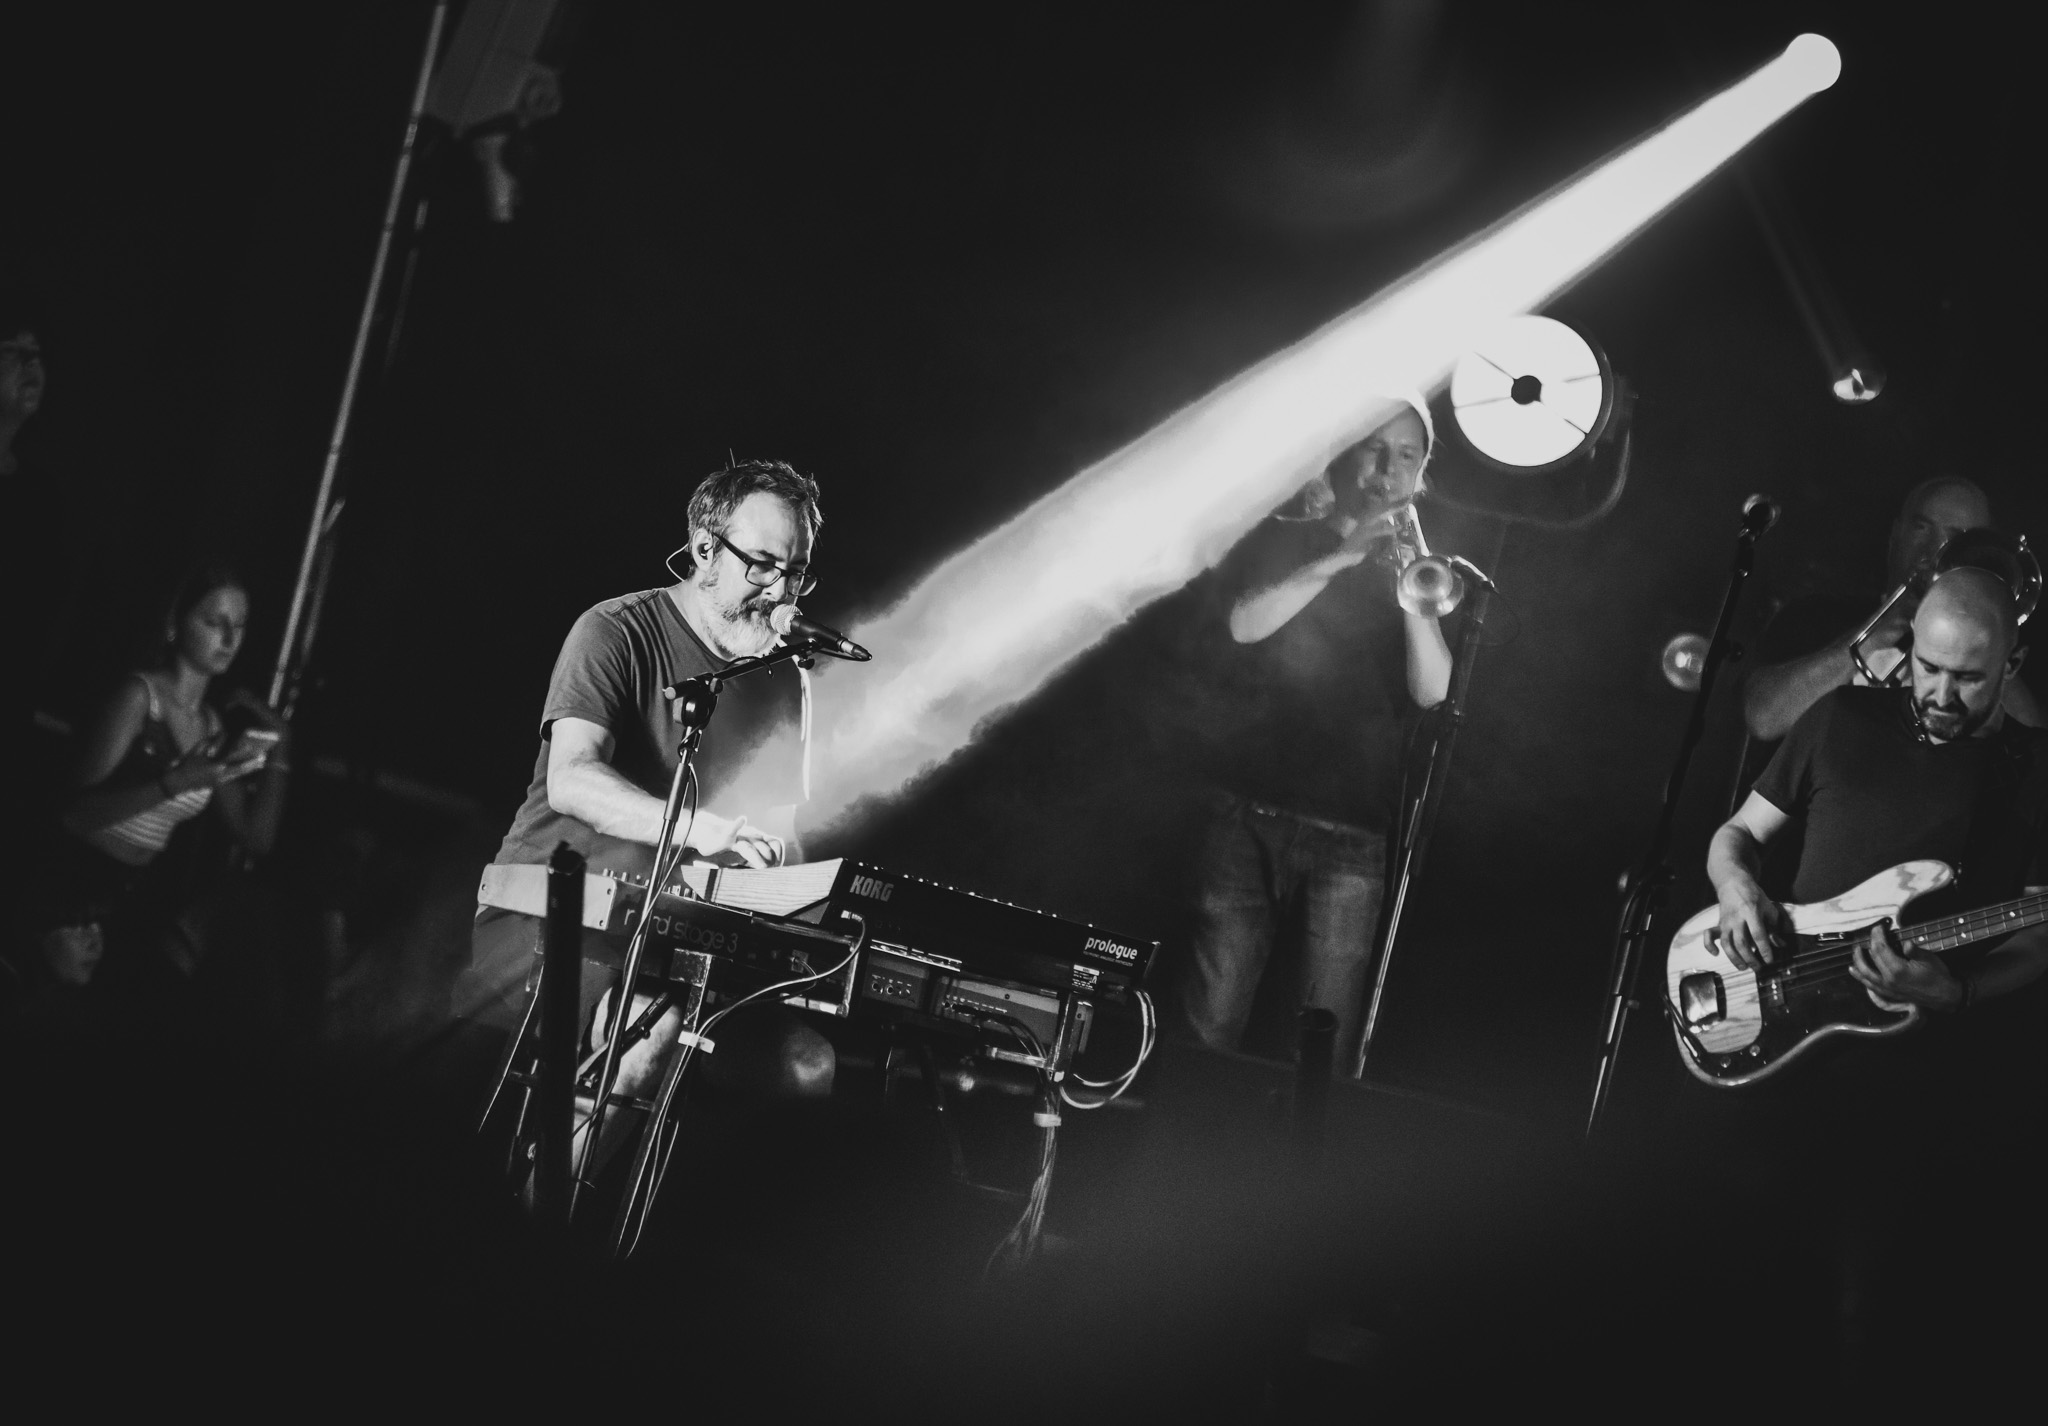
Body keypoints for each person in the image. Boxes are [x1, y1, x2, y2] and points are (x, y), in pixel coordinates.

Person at [1704, 567, 2048, 1381]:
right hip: (1777, 1050)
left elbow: (2038, 935)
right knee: (1731, 1292)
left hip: (1912, 1095)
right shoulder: (1840, 720)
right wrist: (1737, 887)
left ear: (2012, 663)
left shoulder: (2033, 772)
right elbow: (1735, 836)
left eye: (1968, 678)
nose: (1941, 693)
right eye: (1928, 666)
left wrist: (1956, 991)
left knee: (1866, 1324)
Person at [463, 459, 831, 1140]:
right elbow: (572, 779)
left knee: (805, 1064)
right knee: (655, 1026)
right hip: (547, 916)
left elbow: (780, 836)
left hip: (675, 940)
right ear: (704, 550)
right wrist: (698, 829)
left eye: (798, 572)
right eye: (762, 566)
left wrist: (800, 913)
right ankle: (548, 1204)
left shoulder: (785, 678)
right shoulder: (616, 630)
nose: (781, 592)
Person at [1174, 396, 1452, 1067]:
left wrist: (1411, 587)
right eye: (1375, 449)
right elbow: (1245, 626)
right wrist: (1341, 556)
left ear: (1420, 474)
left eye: (1406, 456)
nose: (1387, 468)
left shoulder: (1417, 570)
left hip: (1352, 835)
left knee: (1321, 1049)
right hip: (1248, 814)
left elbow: (1433, 690)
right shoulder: (1281, 535)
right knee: (1210, 1027)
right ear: (1345, 454)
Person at [55, 566, 292, 989]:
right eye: (214, 622)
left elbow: (255, 836)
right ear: (174, 624)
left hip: (129, 898)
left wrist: (282, 745)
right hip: (71, 885)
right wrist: (174, 784)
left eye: (239, 625)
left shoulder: (211, 727)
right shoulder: (140, 697)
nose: (229, 639)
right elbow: (73, 815)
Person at [1743, 475, 2040, 742]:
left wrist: (1984, 633)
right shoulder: (1814, 614)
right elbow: (1763, 718)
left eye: (1957, 538)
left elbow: (2036, 750)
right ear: (1895, 536)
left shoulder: (2004, 652)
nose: (1934, 550)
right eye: (1921, 528)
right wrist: (1880, 630)